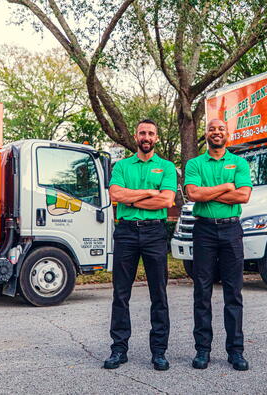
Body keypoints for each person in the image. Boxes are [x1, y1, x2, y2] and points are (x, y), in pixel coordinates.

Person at [103, 119, 177, 371]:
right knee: (121, 294)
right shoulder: (122, 166)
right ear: (136, 136)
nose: (146, 136)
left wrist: (132, 198)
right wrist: (150, 194)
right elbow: (115, 195)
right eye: (142, 132)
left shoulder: (166, 167)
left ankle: (159, 352)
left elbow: (167, 201)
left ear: (156, 138)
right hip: (125, 232)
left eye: (151, 133)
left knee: (159, 293)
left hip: (155, 233)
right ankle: (118, 349)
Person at [184, 119, 252, 371]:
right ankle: (203, 350)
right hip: (204, 230)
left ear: (227, 134)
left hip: (231, 229)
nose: (216, 132)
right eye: (212, 129)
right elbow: (193, 194)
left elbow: (243, 195)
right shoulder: (195, 164)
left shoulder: (240, 162)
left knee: (233, 292)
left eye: (220, 129)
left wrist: (207, 191)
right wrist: (225, 187)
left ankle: (236, 351)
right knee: (202, 291)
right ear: (206, 134)